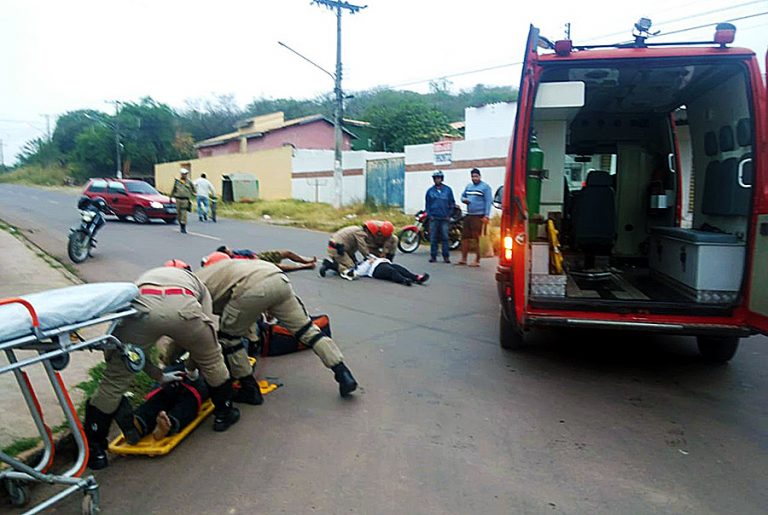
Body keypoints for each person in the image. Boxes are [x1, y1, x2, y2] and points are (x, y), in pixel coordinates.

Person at [83, 260, 240, 470]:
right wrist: (193, 370)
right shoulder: (196, 283)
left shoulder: (148, 275)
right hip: (184, 307)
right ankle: (224, 413)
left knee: (114, 381)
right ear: (187, 271)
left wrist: (159, 376)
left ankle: (96, 450)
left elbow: (135, 357)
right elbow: (207, 337)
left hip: (142, 308)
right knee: (212, 361)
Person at [196, 254, 359, 398]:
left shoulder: (198, 282)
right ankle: (343, 374)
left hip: (252, 289)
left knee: (229, 340)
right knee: (308, 330)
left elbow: (197, 324)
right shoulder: (233, 265)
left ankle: (249, 389)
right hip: (278, 280)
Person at [126, 364, 210, 442]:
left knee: (177, 400)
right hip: (186, 378)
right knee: (184, 402)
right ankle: (143, 421)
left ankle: (159, 423)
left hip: (186, 378)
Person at [318, 220, 397, 280]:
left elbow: (352, 248)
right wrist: (368, 257)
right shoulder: (360, 234)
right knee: (351, 267)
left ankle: (339, 263)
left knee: (354, 264)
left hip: (340, 248)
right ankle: (331, 265)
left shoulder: (356, 230)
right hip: (337, 249)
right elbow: (362, 246)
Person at [457, 168, 493, 267]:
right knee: (465, 237)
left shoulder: (485, 187)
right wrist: (464, 200)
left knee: (477, 238)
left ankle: (477, 260)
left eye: (476, 176)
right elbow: (463, 196)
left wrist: (486, 215)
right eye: (473, 176)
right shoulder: (469, 186)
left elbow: (488, 202)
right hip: (469, 215)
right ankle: (463, 259)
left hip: (479, 216)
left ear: (480, 176)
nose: (474, 178)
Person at [425, 170, 456, 263]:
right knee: (433, 238)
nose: (437, 180)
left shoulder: (448, 190)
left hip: (444, 218)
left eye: (439, 178)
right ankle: (433, 256)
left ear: (442, 179)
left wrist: (449, 214)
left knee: (445, 238)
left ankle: (446, 256)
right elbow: (427, 205)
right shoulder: (430, 191)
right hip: (434, 218)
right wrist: (430, 215)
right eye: (435, 178)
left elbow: (452, 203)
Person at [213, 245, 317, 272]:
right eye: (228, 250)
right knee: (278, 267)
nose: (230, 250)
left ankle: (306, 260)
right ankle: (304, 266)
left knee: (286, 252)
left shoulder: (236, 252)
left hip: (258, 257)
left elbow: (248, 251)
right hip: (256, 265)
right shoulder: (231, 262)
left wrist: (254, 256)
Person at [354, 255, 429, 286]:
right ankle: (404, 280)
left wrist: (382, 259)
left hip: (385, 263)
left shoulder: (370, 256)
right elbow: (359, 272)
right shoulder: (362, 265)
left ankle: (416, 277)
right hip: (375, 270)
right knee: (392, 271)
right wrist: (368, 263)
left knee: (399, 268)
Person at [171, 168, 196, 233]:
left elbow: (194, 189)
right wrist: (171, 197)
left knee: (184, 213)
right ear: (181, 174)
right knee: (179, 214)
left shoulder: (189, 182)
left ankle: (183, 227)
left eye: (186, 174)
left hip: (185, 200)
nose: (185, 175)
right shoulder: (177, 181)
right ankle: (181, 225)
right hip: (178, 199)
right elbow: (174, 189)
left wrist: (194, 193)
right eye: (183, 174)